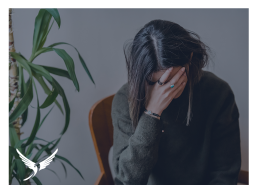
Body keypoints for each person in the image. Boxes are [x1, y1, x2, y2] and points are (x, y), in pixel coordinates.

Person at [111, 19, 241, 185]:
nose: (165, 90)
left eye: (173, 80)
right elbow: (127, 181)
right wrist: (152, 114)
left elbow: (225, 173)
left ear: (190, 59)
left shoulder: (218, 93)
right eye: (154, 82)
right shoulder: (125, 100)